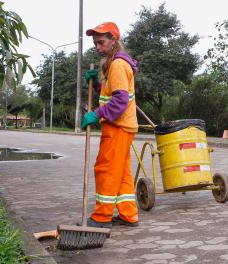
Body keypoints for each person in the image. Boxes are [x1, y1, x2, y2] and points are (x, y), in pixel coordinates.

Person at [81, 21, 139, 228]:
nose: (98, 47)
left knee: (106, 169)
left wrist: (96, 114)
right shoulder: (114, 63)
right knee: (122, 172)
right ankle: (128, 214)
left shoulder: (117, 65)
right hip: (123, 126)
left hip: (118, 127)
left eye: (101, 42)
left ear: (114, 40)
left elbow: (120, 101)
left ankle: (102, 216)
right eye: (95, 43)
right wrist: (97, 85)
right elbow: (111, 94)